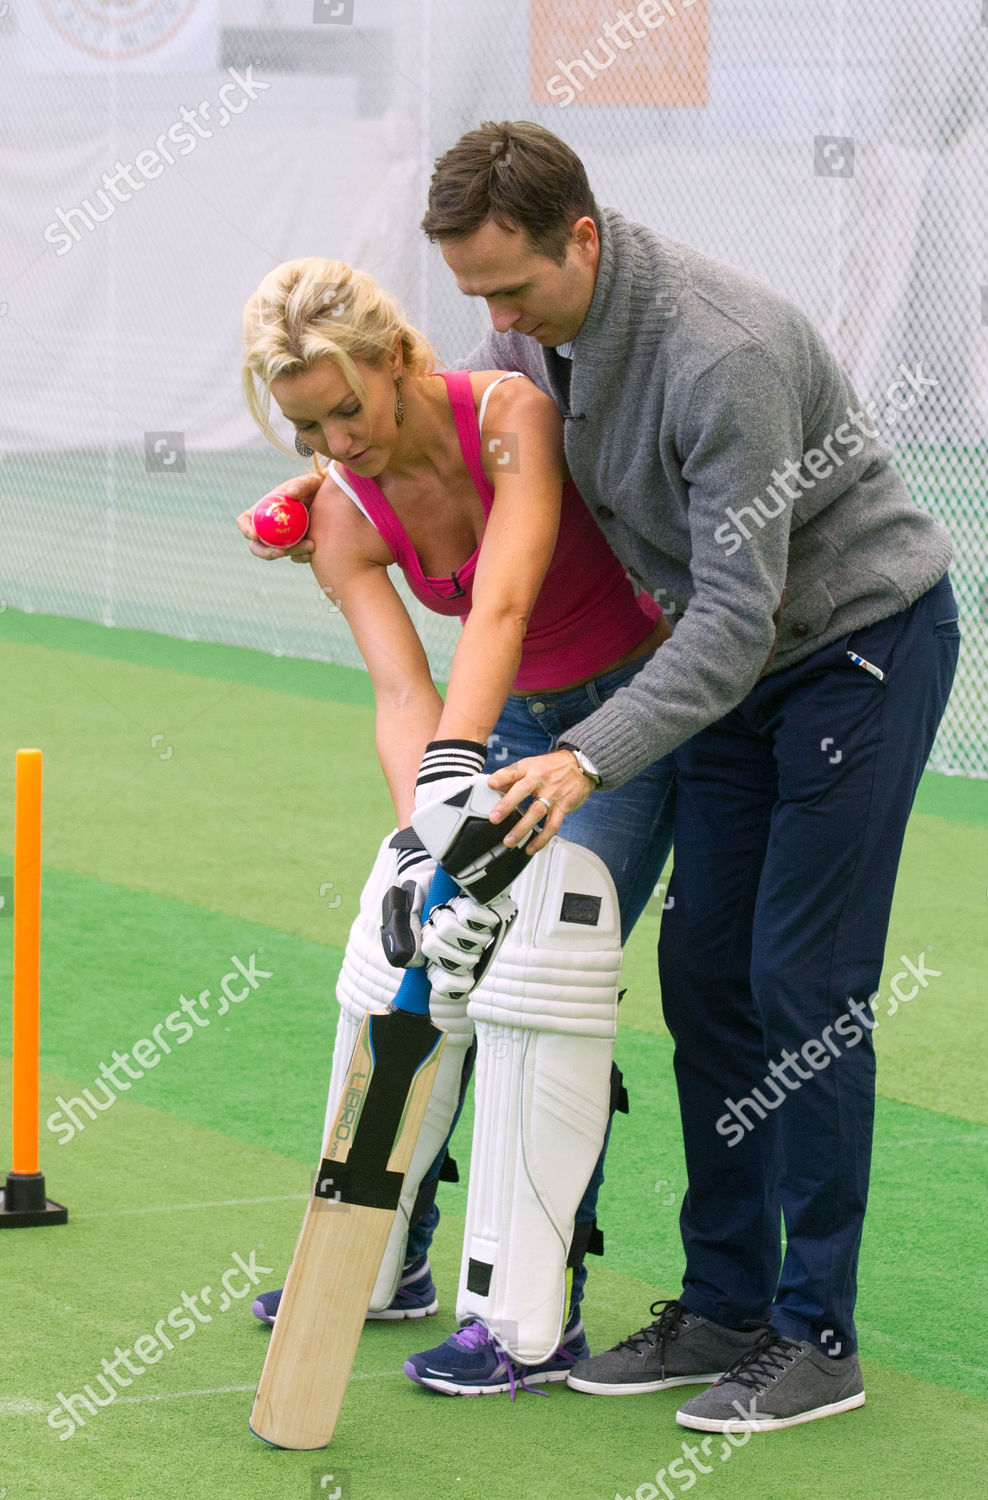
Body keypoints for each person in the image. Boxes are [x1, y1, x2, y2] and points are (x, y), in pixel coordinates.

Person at [252, 120, 957, 1431]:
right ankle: (724, 1302)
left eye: (511, 291)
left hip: (849, 652)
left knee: (800, 980)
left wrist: (585, 756)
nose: (498, 323)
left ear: (582, 235)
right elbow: (463, 425)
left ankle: (816, 1334)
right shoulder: (541, 330)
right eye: (475, 299)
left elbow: (735, 618)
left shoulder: (716, 356)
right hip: (732, 675)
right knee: (702, 980)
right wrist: (351, 485)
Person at [238, 256, 676, 1394]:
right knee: (412, 953)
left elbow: (504, 602)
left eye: (347, 410)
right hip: (509, 714)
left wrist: (458, 795)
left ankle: (530, 1317)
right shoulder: (341, 513)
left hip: (631, 716)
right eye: (308, 428)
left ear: (397, 360)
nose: (338, 443)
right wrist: (429, 843)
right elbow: (398, 691)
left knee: (541, 965)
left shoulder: (510, 418)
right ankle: (381, 1262)